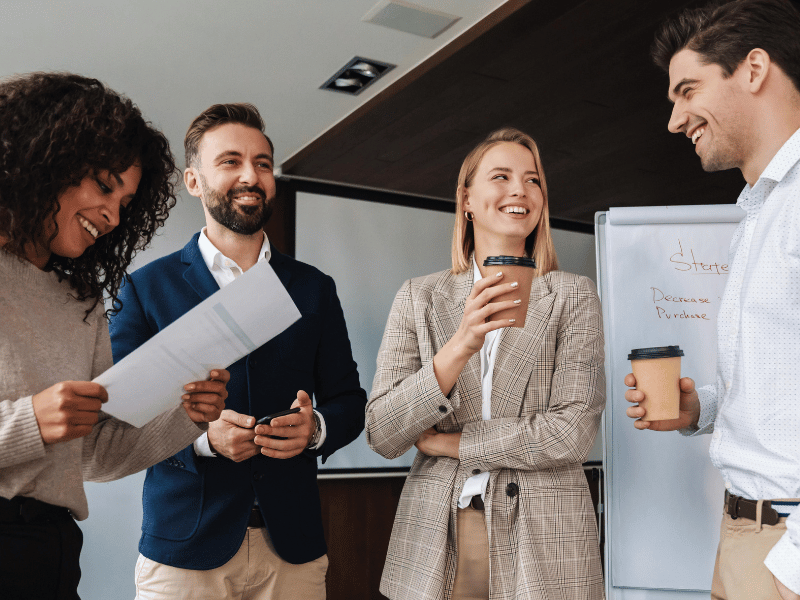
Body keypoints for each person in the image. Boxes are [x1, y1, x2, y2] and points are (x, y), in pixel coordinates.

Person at [109, 103, 367, 600]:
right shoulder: (145, 289)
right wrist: (201, 438)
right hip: (184, 551)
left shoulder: (314, 289)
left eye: (263, 163)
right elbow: (122, 419)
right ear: (193, 180)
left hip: (292, 549)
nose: (251, 175)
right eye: (230, 161)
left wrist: (316, 429)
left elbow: (349, 401)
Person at [0, 72, 228, 600]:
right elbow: (38, 426)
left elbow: (95, 455)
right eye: (105, 187)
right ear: (46, 163)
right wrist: (28, 421)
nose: (112, 214)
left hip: (54, 552)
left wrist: (185, 419)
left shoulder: (82, 302)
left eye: (125, 203)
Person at [366, 128, 605, 600]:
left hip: (546, 539)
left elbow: (571, 433)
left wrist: (452, 443)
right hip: (439, 531)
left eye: (533, 180)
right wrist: (459, 346)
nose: (521, 190)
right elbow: (383, 432)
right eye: (502, 176)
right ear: (467, 199)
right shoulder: (420, 296)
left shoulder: (572, 295)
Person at [624, 1, 800, 599]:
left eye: (687, 90)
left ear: (753, 69)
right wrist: (702, 410)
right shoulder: (760, 213)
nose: (675, 120)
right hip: (744, 538)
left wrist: (790, 571)